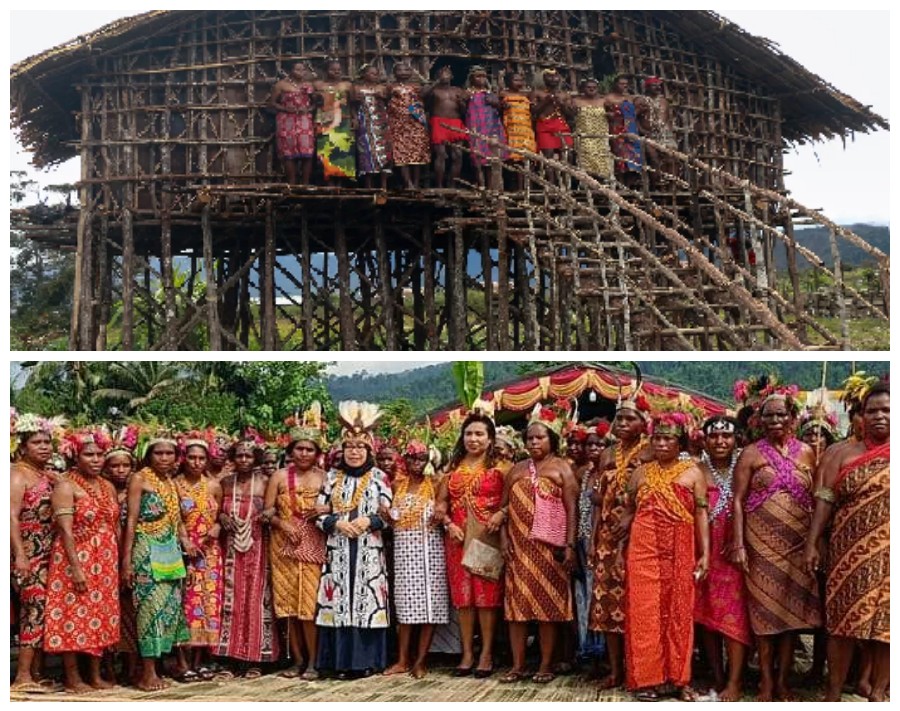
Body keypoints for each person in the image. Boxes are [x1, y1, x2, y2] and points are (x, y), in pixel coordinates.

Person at [732, 392, 821, 702]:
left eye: (781, 415)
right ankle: (766, 682)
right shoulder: (751, 454)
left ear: (792, 417)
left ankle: (784, 681)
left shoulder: (808, 453)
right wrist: (739, 544)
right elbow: (738, 501)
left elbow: (817, 500)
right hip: (761, 547)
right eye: (769, 415)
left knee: (790, 616)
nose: (775, 421)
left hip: (797, 546)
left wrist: (815, 544)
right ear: (760, 420)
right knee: (764, 614)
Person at [804, 381, 889, 702]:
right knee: (842, 624)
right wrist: (813, 543)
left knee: (886, 627)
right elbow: (824, 500)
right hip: (848, 552)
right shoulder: (840, 453)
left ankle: (879, 693)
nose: (879, 417)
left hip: (890, 554)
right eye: (872, 411)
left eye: (887, 411)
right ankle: (834, 692)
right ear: (861, 416)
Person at [623, 412, 709, 701]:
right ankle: (647, 679)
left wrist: (705, 554)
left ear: (680, 442)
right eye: (657, 438)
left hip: (680, 548)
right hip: (643, 549)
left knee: (679, 611)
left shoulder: (694, 472)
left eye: (668, 438)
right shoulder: (641, 472)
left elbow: (700, 514)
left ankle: (678, 678)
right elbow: (628, 510)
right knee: (645, 611)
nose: (661, 444)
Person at [499, 410, 578, 684]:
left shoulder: (562, 468)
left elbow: (572, 509)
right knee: (517, 610)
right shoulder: (516, 470)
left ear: (552, 439)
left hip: (549, 549)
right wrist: (504, 539)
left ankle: (545, 664)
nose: (534, 443)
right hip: (519, 549)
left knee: (548, 608)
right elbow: (503, 509)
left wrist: (569, 546)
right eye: (529, 438)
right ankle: (518, 665)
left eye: (539, 438)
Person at [315, 401, 393, 678]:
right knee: (337, 601)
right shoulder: (332, 478)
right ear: (342, 450)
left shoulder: (379, 478)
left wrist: (367, 521)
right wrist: (336, 522)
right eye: (350, 447)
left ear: (369, 449)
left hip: (368, 550)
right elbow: (318, 514)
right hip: (337, 549)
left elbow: (389, 514)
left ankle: (365, 662)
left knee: (367, 601)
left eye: (361, 447)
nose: (355, 452)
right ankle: (338, 662)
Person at [43, 429, 120, 692]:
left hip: (106, 560)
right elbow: (64, 530)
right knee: (73, 615)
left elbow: (114, 526)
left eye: (100, 455)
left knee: (98, 616)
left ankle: (95, 675)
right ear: (76, 457)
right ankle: (73, 677)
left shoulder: (107, 486)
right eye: (89, 455)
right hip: (75, 558)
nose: (96, 460)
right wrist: (75, 568)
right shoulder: (66, 485)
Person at [434, 409, 505, 678]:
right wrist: (448, 524)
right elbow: (441, 502)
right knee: (464, 599)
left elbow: (509, 501)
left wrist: (501, 514)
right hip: (457, 539)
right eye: (469, 434)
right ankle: (467, 653)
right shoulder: (452, 469)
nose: (473, 439)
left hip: (486, 538)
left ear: (489, 439)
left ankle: (486, 653)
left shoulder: (500, 468)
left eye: (479, 434)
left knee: (486, 599)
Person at [588, 393, 652, 689]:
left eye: (630, 418)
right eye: (620, 418)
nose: (623, 423)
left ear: (644, 423)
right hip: (606, 537)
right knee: (606, 604)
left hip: (639, 536)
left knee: (636, 603)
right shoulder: (607, 454)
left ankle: (638, 668)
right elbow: (598, 500)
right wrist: (592, 538)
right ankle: (615, 670)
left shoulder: (651, 452)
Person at [121, 435, 193, 691]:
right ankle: (147, 672)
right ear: (149, 456)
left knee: (169, 608)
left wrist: (185, 541)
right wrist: (126, 561)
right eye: (158, 453)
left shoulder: (170, 482)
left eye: (169, 454)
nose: (164, 458)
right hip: (146, 549)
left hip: (170, 550)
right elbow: (130, 520)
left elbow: (177, 520)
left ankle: (164, 664)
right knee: (149, 608)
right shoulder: (140, 479)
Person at [264, 408, 327, 681]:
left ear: (317, 453)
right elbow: (266, 512)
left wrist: (325, 508)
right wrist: (282, 524)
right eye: (299, 448)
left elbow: (338, 507)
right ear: (291, 450)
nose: (303, 454)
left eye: (309, 449)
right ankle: (297, 660)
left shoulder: (325, 477)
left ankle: (314, 661)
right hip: (283, 549)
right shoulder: (278, 477)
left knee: (309, 607)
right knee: (288, 607)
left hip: (313, 547)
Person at [693, 416, 751, 702]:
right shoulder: (696, 470)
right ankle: (717, 676)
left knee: (735, 617)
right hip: (706, 552)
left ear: (736, 439)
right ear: (705, 441)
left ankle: (735, 680)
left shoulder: (745, 467)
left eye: (726, 437)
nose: (720, 442)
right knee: (707, 615)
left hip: (736, 552)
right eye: (714, 437)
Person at [384, 440, 449, 679]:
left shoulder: (436, 482)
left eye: (421, 459)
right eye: (411, 458)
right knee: (405, 607)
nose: (416, 463)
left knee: (430, 606)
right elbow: (392, 519)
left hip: (429, 551)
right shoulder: (397, 485)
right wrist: (386, 517)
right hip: (403, 552)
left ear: (429, 460)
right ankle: (402, 659)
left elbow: (443, 508)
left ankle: (421, 661)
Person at [216, 439, 280, 675]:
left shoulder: (265, 482)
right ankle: (230, 657)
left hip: (259, 546)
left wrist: (268, 512)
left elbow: (276, 508)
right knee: (230, 598)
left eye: (249, 456)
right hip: (230, 547)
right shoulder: (224, 482)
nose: (244, 460)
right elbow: (214, 512)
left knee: (256, 598)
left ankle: (257, 658)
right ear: (233, 458)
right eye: (240, 456)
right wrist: (222, 517)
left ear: (256, 459)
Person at [10, 414, 56, 693]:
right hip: (29, 552)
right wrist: (20, 556)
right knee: (33, 610)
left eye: (47, 442)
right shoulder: (16, 475)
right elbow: (10, 517)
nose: (44, 447)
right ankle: (23, 675)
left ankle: (37, 673)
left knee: (44, 611)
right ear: (23, 446)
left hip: (49, 551)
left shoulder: (45, 474)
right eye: (37, 442)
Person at [173, 437, 224, 681]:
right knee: (185, 605)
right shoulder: (175, 485)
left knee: (208, 605)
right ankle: (182, 662)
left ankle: (201, 660)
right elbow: (174, 518)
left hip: (211, 553)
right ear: (184, 458)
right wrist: (185, 541)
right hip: (185, 552)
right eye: (192, 457)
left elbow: (220, 515)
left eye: (201, 458)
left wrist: (217, 527)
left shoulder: (213, 485)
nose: (196, 462)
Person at [103, 432, 139, 685]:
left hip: (135, 555)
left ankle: (131, 665)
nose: (121, 470)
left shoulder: (138, 490)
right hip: (104, 556)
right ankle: (106, 666)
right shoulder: (102, 491)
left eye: (125, 465)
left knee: (132, 611)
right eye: (115, 465)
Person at [574, 423, 609, 674]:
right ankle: (589, 649)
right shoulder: (582, 475)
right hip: (583, 540)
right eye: (590, 444)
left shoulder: (612, 472)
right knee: (585, 595)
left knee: (604, 595)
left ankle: (606, 652)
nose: (594, 448)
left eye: (600, 444)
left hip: (605, 542)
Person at [271, 62, 319, 185]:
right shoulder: (281, 85)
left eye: (303, 70)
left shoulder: (308, 85)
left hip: (304, 121)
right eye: (297, 69)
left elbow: (315, 104)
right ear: (290, 70)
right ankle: (291, 183)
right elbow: (272, 103)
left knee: (307, 151)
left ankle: (305, 183)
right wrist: (285, 108)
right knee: (289, 152)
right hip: (287, 121)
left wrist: (308, 109)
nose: (301, 72)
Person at [420, 65, 467, 188]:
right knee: (441, 154)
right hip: (439, 122)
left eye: (447, 73)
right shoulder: (433, 90)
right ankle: (439, 185)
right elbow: (423, 95)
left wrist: (461, 103)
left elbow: (464, 111)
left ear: (452, 76)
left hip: (456, 122)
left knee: (458, 155)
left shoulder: (458, 90)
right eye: (442, 73)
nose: (445, 75)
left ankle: (453, 185)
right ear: (437, 76)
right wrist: (436, 82)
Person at [387, 62, 430, 189]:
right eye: (400, 70)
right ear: (394, 73)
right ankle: (408, 183)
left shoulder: (417, 87)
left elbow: (425, 95)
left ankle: (416, 183)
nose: (403, 72)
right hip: (398, 124)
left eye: (406, 69)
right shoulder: (390, 87)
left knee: (417, 153)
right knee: (401, 153)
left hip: (416, 124)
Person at [464, 66, 507, 190]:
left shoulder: (490, 93)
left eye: (484, 76)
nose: (482, 79)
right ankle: (480, 185)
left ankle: (491, 187)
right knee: (477, 158)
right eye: (478, 76)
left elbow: (500, 108)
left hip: (492, 128)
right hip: (476, 128)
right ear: (471, 79)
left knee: (491, 159)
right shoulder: (468, 93)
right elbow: (462, 109)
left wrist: (495, 103)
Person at [314, 58, 356, 183]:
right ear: (326, 71)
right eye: (332, 70)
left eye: (338, 70)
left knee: (343, 150)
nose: (336, 72)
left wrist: (354, 118)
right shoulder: (318, 85)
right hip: (324, 122)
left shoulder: (347, 85)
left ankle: (341, 182)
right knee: (326, 150)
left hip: (344, 121)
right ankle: (329, 182)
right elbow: (313, 102)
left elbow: (353, 103)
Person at [352, 64, 393, 189]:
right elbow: (352, 104)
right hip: (365, 121)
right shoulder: (357, 88)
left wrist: (384, 95)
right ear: (364, 74)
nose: (374, 76)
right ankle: (368, 186)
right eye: (371, 73)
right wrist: (354, 118)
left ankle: (383, 185)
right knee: (366, 151)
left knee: (384, 151)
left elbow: (389, 99)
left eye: (376, 74)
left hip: (381, 121)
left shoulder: (383, 87)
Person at [499, 72, 536, 191]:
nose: (519, 83)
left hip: (526, 129)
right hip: (512, 130)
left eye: (521, 80)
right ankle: (516, 188)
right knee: (514, 159)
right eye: (516, 80)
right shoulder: (503, 94)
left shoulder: (527, 95)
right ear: (508, 82)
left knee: (527, 159)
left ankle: (526, 188)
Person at [636, 77, 675, 186]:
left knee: (670, 158)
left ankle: (670, 185)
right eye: (654, 85)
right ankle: (656, 184)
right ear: (647, 87)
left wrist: (670, 133)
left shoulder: (664, 101)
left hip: (665, 134)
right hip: (648, 134)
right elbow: (633, 118)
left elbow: (668, 119)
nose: (657, 87)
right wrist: (642, 131)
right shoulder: (641, 101)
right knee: (653, 158)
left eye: (659, 85)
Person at [571, 78, 613, 180]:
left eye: (594, 87)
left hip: (601, 135)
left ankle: (601, 182)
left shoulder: (604, 101)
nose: (592, 89)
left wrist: (610, 115)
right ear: (583, 89)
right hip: (584, 134)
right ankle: (588, 183)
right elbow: (570, 116)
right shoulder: (576, 101)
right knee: (587, 157)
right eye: (589, 87)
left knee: (601, 157)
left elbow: (614, 114)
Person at [605, 75, 642, 187]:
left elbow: (634, 113)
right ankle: (621, 185)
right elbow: (604, 114)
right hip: (617, 130)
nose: (624, 86)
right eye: (621, 84)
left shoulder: (631, 98)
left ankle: (631, 185)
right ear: (615, 84)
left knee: (635, 155)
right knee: (621, 156)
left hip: (631, 129)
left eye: (626, 84)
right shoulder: (608, 98)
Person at [532, 69, 574, 166]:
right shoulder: (537, 93)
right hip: (544, 126)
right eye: (549, 76)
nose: (553, 79)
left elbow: (571, 114)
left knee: (568, 155)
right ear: (542, 78)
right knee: (548, 157)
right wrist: (546, 101)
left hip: (561, 126)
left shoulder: (564, 95)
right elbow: (533, 111)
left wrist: (562, 104)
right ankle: (551, 181)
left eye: (555, 76)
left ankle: (567, 180)